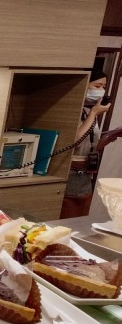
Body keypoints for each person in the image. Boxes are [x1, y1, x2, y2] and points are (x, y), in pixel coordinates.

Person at [61, 69, 112, 218]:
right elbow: (75, 143)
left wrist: (106, 140)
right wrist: (94, 113)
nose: (101, 91)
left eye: (103, 87)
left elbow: (90, 145)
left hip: (85, 174)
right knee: (67, 215)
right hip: (69, 171)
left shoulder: (88, 111)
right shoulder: (74, 112)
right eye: (97, 86)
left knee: (80, 215)